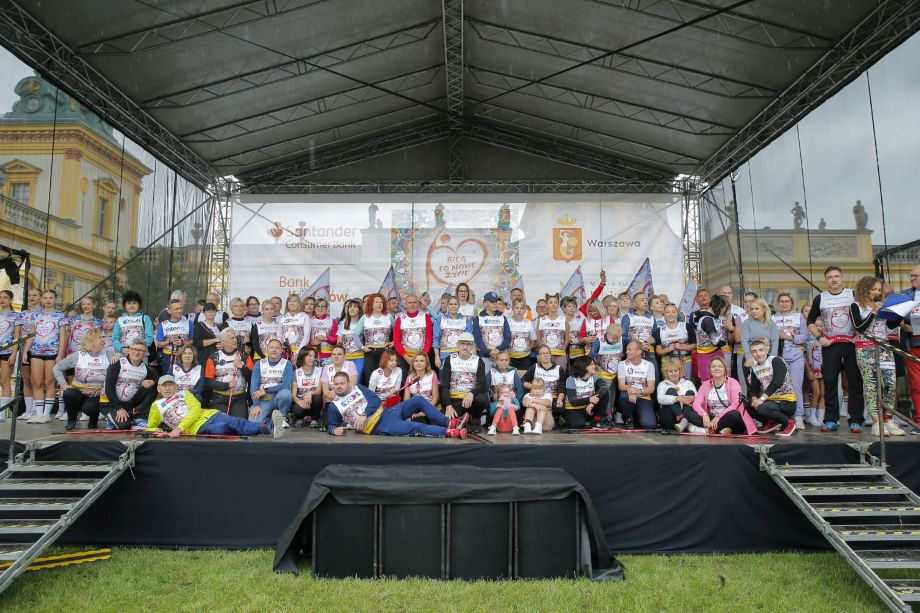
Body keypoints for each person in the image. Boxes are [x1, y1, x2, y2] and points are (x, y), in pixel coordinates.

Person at [807, 266, 865, 433]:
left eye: (837, 276)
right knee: (830, 382)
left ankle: (856, 420)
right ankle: (831, 420)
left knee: (854, 383)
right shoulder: (820, 298)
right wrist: (819, 338)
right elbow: (810, 321)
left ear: (842, 278)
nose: (834, 279)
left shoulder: (853, 294)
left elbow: (864, 315)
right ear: (826, 280)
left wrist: (859, 336)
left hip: (852, 344)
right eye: (830, 277)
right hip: (830, 345)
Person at [326, 372, 468, 438]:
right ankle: (449, 433)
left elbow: (375, 400)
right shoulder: (334, 405)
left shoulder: (358, 388)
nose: (339, 386)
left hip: (387, 412)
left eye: (342, 383)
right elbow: (331, 424)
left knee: (418, 400)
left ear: (348, 383)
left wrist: (364, 415)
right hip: (379, 426)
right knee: (414, 427)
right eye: (336, 384)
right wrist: (333, 430)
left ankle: (449, 423)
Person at [851, 276, 905, 436]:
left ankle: (887, 419)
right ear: (864, 289)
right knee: (871, 386)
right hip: (865, 349)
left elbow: (890, 326)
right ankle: (876, 422)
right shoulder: (855, 306)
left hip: (884, 348)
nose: (876, 292)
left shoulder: (882, 305)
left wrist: (899, 314)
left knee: (890, 384)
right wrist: (873, 311)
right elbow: (859, 327)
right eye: (873, 289)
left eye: (878, 290)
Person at [147, 375, 283, 438]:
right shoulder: (157, 406)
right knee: (223, 428)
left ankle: (268, 427)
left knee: (237, 422)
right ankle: (262, 429)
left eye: (170, 385)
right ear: (158, 388)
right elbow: (150, 427)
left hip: (211, 414)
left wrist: (179, 428)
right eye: (164, 385)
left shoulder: (185, 393)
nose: (168, 388)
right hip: (197, 427)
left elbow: (195, 409)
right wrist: (160, 432)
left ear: (176, 386)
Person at [23, 289, 69, 424]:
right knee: (36, 383)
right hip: (36, 352)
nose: (48, 300)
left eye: (51, 298)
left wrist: (60, 354)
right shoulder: (35, 315)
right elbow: (31, 335)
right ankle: (38, 413)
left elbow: (63, 336)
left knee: (49, 383)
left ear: (55, 300)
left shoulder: (60, 316)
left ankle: (46, 414)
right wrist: (26, 351)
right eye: (45, 298)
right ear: (42, 300)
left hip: (52, 353)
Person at [53, 329, 113, 430]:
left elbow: (124, 362)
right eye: (100, 337)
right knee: (68, 393)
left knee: (90, 408)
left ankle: (93, 419)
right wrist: (63, 385)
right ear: (91, 340)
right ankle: (71, 420)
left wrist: (119, 355)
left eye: (103, 337)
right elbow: (57, 368)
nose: (103, 339)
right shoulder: (78, 355)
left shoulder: (109, 354)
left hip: (97, 393)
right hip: (79, 391)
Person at [691, 357, 756, 435]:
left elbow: (736, 404)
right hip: (711, 419)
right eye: (713, 366)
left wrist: (718, 416)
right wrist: (704, 415)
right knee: (688, 410)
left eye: (720, 366)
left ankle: (706, 430)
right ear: (710, 369)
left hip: (729, 419)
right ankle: (719, 430)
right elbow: (696, 404)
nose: (716, 368)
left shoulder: (733, 382)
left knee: (734, 414)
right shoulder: (705, 385)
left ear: (725, 369)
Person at [100, 339, 157, 429]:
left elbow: (158, 379)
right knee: (125, 425)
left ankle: (141, 418)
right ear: (129, 350)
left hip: (128, 404)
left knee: (153, 388)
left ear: (145, 353)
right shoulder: (117, 363)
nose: (137, 352)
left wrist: (152, 381)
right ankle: (111, 419)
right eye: (134, 349)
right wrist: (119, 408)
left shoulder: (144, 368)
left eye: (141, 350)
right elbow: (109, 388)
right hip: (110, 403)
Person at [746, 338, 798, 437]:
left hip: (786, 402)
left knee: (762, 407)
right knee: (745, 405)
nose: (758, 354)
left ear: (766, 350)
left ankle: (789, 422)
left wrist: (761, 399)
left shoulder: (776, 360)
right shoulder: (755, 367)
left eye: (761, 350)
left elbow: (777, 382)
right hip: (769, 402)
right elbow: (753, 389)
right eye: (754, 351)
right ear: (751, 354)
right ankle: (770, 422)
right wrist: (754, 399)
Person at [439, 331, 488, 433]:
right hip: (455, 399)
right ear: (457, 345)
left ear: (472, 347)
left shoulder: (478, 360)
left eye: (468, 344)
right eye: (462, 343)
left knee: (482, 398)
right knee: (446, 424)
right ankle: (463, 418)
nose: (465, 347)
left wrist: (471, 393)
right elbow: (444, 385)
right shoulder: (449, 359)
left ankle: (474, 418)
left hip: (472, 399)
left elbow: (482, 383)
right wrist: (448, 405)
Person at [772, 293, 810, 427]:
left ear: (791, 303)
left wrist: (791, 337)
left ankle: (799, 416)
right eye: (781, 301)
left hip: (796, 357)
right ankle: (783, 417)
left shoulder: (798, 316)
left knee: (796, 386)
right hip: (778, 358)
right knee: (780, 388)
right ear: (778, 303)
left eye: (787, 301)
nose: (784, 303)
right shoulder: (772, 318)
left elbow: (805, 337)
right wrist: (777, 336)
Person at [202, 329, 253, 418]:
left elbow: (253, 377)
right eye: (232, 338)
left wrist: (242, 367)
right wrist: (227, 385)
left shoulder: (244, 356)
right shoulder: (214, 357)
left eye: (235, 338)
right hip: (219, 398)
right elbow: (208, 381)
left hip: (239, 398)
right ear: (223, 341)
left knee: (239, 423)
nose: (235, 340)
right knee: (222, 425)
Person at [249, 338, 294, 426]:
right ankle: (271, 421)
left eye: (277, 348)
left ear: (281, 350)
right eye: (271, 347)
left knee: (286, 394)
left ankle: (282, 417)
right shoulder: (259, 363)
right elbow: (253, 386)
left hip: (277, 399)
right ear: (267, 349)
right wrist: (256, 405)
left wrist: (266, 390)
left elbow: (286, 385)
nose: (274, 350)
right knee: (254, 423)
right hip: (263, 401)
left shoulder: (287, 364)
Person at [740, 298, 779, 388]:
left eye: (756, 309)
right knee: (751, 386)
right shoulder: (747, 323)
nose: (753, 311)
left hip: (767, 358)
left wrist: (772, 359)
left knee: (768, 386)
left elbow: (775, 342)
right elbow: (744, 341)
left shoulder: (771, 324)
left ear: (764, 309)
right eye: (752, 309)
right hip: (750, 358)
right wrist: (749, 358)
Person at [692, 294, 732, 383]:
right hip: (707, 355)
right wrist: (724, 342)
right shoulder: (707, 319)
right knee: (708, 383)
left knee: (721, 381)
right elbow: (716, 341)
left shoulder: (709, 318)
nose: (725, 311)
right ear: (721, 307)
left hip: (714, 353)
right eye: (725, 308)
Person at [617, 340, 656, 429]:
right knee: (623, 396)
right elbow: (621, 386)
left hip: (644, 396)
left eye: (629, 350)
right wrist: (631, 390)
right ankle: (628, 418)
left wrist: (637, 392)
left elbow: (651, 388)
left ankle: (637, 416)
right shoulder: (622, 364)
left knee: (649, 425)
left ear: (638, 351)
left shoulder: (649, 365)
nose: (626, 352)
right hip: (628, 396)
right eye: (627, 349)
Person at [15, 288, 42, 421]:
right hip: (24, 348)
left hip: (39, 350)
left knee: (36, 381)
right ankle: (28, 409)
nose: (31, 297)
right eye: (30, 295)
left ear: (40, 297)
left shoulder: (43, 313)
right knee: (26, 380)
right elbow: (18, 332)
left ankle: (38, 410)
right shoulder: (22, 314)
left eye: (35, 295)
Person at [589, 322, 623, 425]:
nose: (616, 341)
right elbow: (592, 354)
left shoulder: (620, 339)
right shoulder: (600, 341)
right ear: (607, 333)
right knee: (605, 394)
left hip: (614, 374)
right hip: (602, 373)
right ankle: (603, 415)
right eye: (613, 339)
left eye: (617, 339)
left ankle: (609, 413)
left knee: (612, 395)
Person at [521, 345, 566, 421]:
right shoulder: (535, 367)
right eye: (542, 353)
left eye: (547, 353)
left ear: (550, 355)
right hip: (537, 396)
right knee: (526, 401)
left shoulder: (558, 369)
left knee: (559, 408)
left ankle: (553, 419)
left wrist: (559, 399)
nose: (545, 355)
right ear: (538, 356)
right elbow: (523, 381)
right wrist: (535, 387)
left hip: (552, 397)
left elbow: (562, 388)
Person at [900, 264, 920, 425]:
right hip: (912, 345)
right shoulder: (905, 295)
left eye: (916, 276)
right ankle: (919, 421)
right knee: (916, 385)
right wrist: (902, 324)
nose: (912, 278)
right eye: (911, 276)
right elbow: (893, 316)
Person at [654, 304, 696, 381]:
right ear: (664, 314)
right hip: (668, 362)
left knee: (687, 384)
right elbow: (658, 351)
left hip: (685, 361)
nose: (670, 314)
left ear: (677, 313)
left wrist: (682, 347)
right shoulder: (659, 331)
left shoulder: (686, 326)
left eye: (673, 312)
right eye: (667, 312)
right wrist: (667, 349)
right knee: (670, 386)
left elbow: (694, 345)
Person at [564, 357, 609, 429]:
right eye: (591, 364)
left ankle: (596, 420)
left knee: (605, 393)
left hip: (588, 408)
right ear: (583, 366)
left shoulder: (593, 377)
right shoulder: (571, 379)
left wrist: (593, 403)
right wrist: (590, 400)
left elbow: (605, 387)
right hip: (574, 409)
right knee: (578, 425)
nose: (594, 366)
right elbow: (573, 401)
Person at [392, 294, 432, 374]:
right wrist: (407, 358)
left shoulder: (425, 317)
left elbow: (429, 339)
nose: (412, 305)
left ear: (418, 304)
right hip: (405, 356)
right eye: (410, 303)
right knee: (405, 381)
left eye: (414, 302)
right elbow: (396, 341)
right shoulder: (399, 318)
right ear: (405, 305)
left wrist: (422, 357)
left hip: (422, 355)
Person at [473, 291, 512, 371]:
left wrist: (498, 349)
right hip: (484, 355)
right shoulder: (478, 318)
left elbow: (508, 337)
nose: (495, 304)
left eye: (496, 302)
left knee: (501, 381)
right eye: (492, 302)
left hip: (500, 355)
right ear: (485, 304)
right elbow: (477, 338)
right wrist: (488, 352)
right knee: (486, 380)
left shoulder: (502, 317)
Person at [656, 357, 697, 432]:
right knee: (671, 391)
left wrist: (687, 399)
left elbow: (697, 399)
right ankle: (682, 419)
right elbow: (660, 399)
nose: (674, 373)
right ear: (666, 373)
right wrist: (677, 398)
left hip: (687, 413)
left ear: (680, 371)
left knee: (690, 393)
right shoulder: (662, 384)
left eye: (676, 370)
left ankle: (685, 422)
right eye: (670, 371)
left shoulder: (688, 383)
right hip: (669, 418)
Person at [360, 293, 393, 385]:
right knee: (370, 379)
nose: (379, 304)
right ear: (371, 304)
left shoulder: (389, 317)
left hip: (385, 352)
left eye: (381, 302)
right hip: (370, 352)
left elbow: (398, 332)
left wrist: (394, 342)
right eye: (376, 302)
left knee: (386, 379)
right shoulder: (364, 318)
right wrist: (362, 347)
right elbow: (355, 334)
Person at [433, 296, 472, 370]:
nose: (453, 306)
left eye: (455, 304)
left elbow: (470, 341)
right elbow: (436, 339)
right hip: (444, 356)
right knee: (444, 380)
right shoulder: (440, 319)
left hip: (461, 356)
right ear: (447, 306)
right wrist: (437, 357)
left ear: (459, 306)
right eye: (451, 304)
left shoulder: (465, 320)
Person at [112, 290, 154, 358]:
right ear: (124, 305)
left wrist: (136, 349)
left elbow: (149, 338)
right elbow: (114, 339)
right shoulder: (120, 320)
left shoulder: (145, 318)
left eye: (134, 303)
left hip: (140, 354)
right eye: (128, 303)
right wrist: (122, 349)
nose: (131, 305)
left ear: (139, 304)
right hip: (123, 354)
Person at [0, 290, 21, 421]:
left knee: (4, 381)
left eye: (5, 297)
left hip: (6, 352)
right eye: (0, 297)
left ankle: (2, 413)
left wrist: (14, 353)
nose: (2, 299)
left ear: (11, 300)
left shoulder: (16, 316)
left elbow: (17, 337)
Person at [155, 298, 194, 369]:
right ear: (169, 311)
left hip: (184, 357)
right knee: (168, 379)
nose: (180, 311)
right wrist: (169, 341)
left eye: (181, 308)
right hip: (168, 357)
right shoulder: (164, 324)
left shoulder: (189, 323)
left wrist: (183, 342)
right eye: (176, 309)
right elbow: (158, 344)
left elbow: (194, 341)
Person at [291, 347, 324, 427]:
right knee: (297, 410)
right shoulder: (296, 372)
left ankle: (314, 419)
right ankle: (299, 418)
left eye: (313, 356)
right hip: (301, 401)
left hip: (313, 404)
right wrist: (299, 402)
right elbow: (293, 395)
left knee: (317, 397)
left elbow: (319, 390)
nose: (312, 358)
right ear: (303, 357)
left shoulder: (319, 370)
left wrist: (310, 393)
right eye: (309, 356)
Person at [621, 293, 656, 362]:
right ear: (635, 304)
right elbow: (623, 338)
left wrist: (653, 340)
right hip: (633, 354)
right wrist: (638, 345)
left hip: (649, 354)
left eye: (646, 299)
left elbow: (656, 338)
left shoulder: (652, 318)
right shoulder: (628, 317)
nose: (646, 302)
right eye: (642, 300)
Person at [536, 294, 568, 369]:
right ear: (547, 305)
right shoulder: (541, 320)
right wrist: (543, 353)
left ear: (558, 305)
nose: (553, 304)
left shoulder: (563, 320)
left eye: (555, 302)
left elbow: (567, 339)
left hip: (559, 355)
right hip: (545, 356)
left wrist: (562, 349)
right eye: (550, 302)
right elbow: (538, 339)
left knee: (560, 378)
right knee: (543, 379)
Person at [506, 298, 536, 374]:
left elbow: (533, 340)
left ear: (525, 310)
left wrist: (529, 347)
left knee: (524, 380)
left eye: (522, 308)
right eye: (516, 308)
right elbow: (503, 339)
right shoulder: (507, 321)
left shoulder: (529, 323)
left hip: (525, 358)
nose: (519, 310)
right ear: (512, 308)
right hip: (510, 357)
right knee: (510, 380)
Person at [337, 299, 367, 375]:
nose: (352, 308)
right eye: (350, 307)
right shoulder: (342, 324)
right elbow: (339, 342)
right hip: (346, 358)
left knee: (357, 380)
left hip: (360, 357)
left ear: (359, 310)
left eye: (355, 307)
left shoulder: (364, 323)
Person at [805, 318, 826, 426]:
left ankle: (821, 417)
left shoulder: (824, 339)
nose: (818, 328)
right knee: (816, 392)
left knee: (823, 393)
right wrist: (808, 371)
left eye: (820, 326)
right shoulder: (808, 340)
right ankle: (812, 416)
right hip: (813, 369)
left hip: (823, 370)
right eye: (816, 325)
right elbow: (805, 356)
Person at [309, 297, 338, 367]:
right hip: (312, 356)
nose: (320, 308)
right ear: (314, 308)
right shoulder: (309, 321)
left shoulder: (332, 321)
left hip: (328, 356)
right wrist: (311, 342)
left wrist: (326, 338)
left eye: (323, 306)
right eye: (318, 306)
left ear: (327, 308)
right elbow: (305, 339)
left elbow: (336, 339)